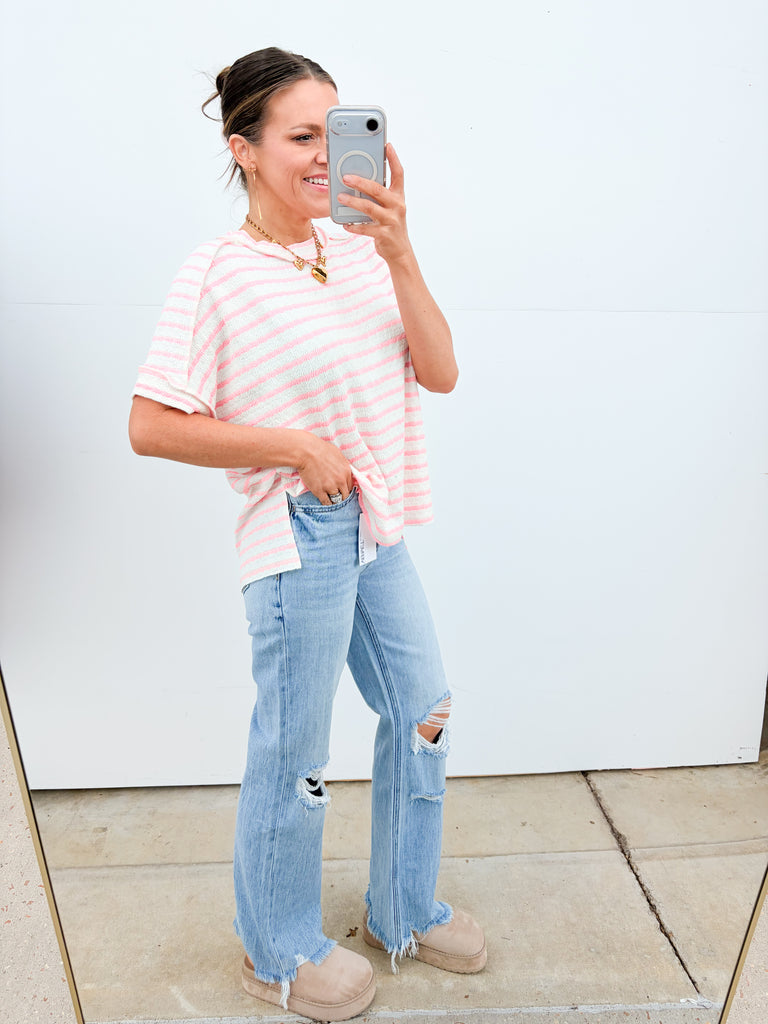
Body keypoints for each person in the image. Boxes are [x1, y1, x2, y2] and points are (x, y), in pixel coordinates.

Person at [129, 46, 485, 1022]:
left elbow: (441, 372)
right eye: (299, 136)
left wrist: (401, 247)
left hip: (376, 525)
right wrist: (293, 445)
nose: (325, 154)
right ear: (243, 149)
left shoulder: (363, 247)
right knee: (295, 751)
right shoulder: (218, 274)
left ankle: (403, 908)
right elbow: (150, 424)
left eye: (335, 131)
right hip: (298, 535)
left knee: (424, 707)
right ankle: (277, 951)